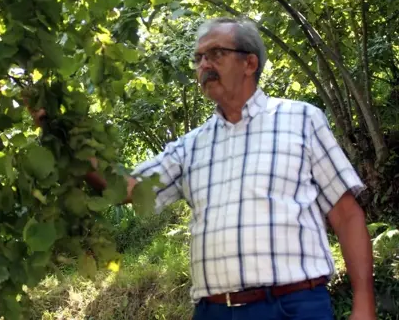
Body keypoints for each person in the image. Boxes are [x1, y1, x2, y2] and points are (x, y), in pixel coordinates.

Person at [28, 17, 376, 319]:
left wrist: (364, 305)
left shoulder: (301, 119)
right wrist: (61, 135)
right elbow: (126, 188)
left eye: (215, 54)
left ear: (249, 63)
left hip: (293, 307)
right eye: (198, 59)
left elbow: (347, 216)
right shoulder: (191, 146)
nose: (203, 65)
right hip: (214, 311)